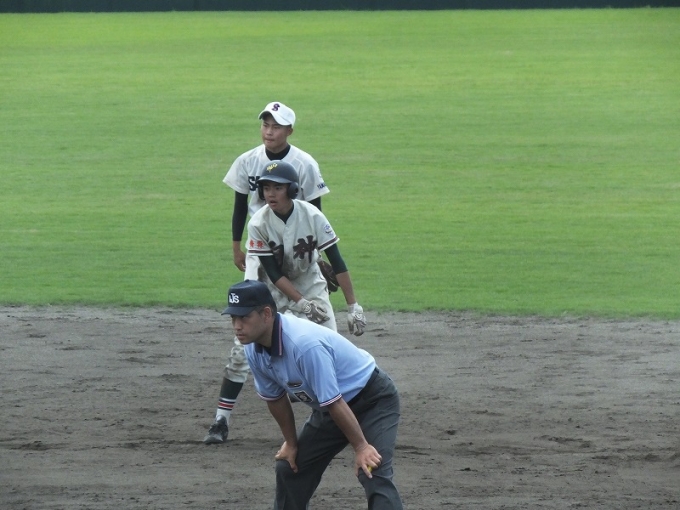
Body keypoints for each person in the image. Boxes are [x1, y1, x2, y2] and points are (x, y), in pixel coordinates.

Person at [205, 101, 331, 444]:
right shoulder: (248, 160)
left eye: (276, 126)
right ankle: (221, 420)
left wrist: (319, 256)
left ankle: (328, 411)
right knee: (243, 343)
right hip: (259, 254)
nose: (269, 131)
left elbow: (316, 215)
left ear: (289, 130)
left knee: (318, 336)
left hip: (299, 258)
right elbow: (239, 207)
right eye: (265, 124)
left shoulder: (305, 164)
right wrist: (237, 247)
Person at [222, 279, 403, 510]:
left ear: (266, 314)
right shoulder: (253, 348)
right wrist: (291, 443)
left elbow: (334, 401)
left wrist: (361, 447)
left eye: (244, 317)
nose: (237, 326)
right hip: (332, 411)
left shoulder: (304, 345)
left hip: (373, 400)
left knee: (372, 471)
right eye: (233, 318)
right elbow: (275, 399)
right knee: (290, 467)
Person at [248, 159, 366, 335]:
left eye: (278, 188)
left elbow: (337, 261)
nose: (271, 194)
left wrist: (353, 306)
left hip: (310, 284)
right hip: (273, 290)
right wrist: (302, 303)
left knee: (328, 338)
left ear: (292, 190)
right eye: (266, 188)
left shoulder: (312, 216)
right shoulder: (258, 224)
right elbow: (273, 273)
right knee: (273, 341)